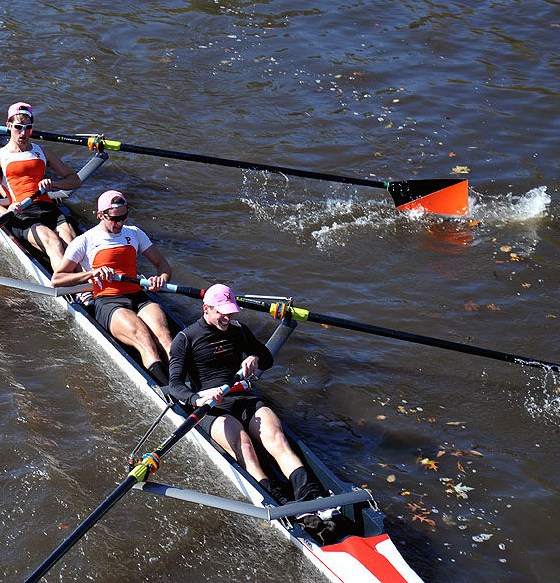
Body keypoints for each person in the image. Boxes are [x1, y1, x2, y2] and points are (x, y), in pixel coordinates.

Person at [167, 283, 345, 543]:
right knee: (246, 449)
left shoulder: (238, 330)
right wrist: (198, 397)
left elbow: (267, 359)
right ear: (206, 309)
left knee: (278, 440)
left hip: (244, 397)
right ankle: (283, 504)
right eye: (221, 313)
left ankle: (313, 497)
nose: (228, 318)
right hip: (213, 408)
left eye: (231, 312)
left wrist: (254, 357)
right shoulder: (185, 339)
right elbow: (175, 386)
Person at [51, 190, 173, 385]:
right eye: (115, 219)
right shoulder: (84, 241)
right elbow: (57, 279)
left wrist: (161, 278)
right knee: (144, 339)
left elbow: (163, 265)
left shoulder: (134, 233)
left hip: (138, 296)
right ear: (100, 215)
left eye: (123, 217)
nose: (120, 223)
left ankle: (186, 389)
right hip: (108, 301)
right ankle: (169, 393)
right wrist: (91, 274)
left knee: (166, 339)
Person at [0, 102, 82, 270]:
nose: (23, 133)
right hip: (22, 214)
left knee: (73, 246)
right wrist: (7, 212)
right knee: (54, 243)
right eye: (18, 127)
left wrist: (54, 184)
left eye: (28, 128)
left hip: (48, 208)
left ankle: (95, 291)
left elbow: (75, 180)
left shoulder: (43, 151)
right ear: (8, 126)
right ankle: (71, 289)